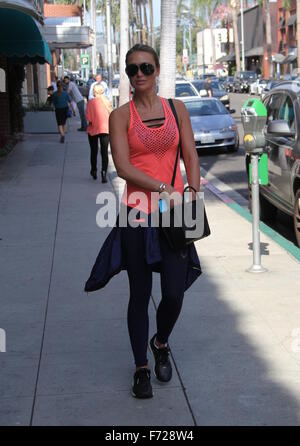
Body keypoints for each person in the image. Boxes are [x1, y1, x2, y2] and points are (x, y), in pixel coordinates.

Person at [84, 44, 201, 399]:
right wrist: (163, 187)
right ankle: (140, 367)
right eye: (133, 69)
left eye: (146, 68)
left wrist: (192, 190)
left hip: (176, 212)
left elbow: (190, 153)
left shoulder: (176, 109)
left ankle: (160, 341)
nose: (139, 74)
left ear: (157, 70)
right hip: (137, 213)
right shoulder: (121, 116)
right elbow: (123, 167)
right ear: (127, 73)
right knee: (140, 294)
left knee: (175, 294)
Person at [85, 84, 112, 182]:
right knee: (104, 152)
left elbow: (88, 118)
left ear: (94, 92)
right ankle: (104, 173)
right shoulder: (107, 102)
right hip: (105, 130)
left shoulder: (91, 103)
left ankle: (94, 170)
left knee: (94, 151)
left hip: (93, 129)